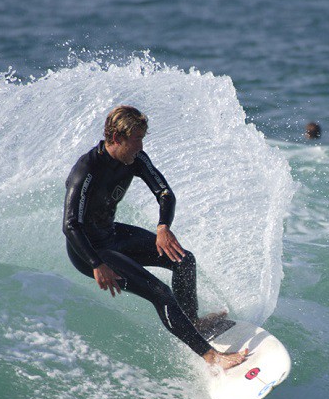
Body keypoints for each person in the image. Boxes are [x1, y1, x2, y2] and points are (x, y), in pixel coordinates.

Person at [63, 105, 247, 370]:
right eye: (136, 139)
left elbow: (165, 193)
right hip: (88, 250)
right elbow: (70, 225)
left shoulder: (135, 158)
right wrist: (95, 264)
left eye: (142, 139)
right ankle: (212, 357)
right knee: (160, 293)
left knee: (183, 260)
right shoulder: (86, 170)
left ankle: (192, 323)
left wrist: (163, 226)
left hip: (111, 234)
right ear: (116, 138)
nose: (140, 146)